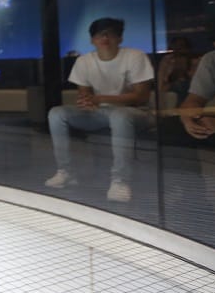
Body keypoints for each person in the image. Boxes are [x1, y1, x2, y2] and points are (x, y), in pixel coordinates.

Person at [45, 18, 155, 203]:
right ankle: (66, 172)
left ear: (119, 38)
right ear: (92, 40)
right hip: (100, 113)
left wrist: (101, 98)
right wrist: (87, 103)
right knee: (57, 113)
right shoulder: (84, 61)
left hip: (136, 113)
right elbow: (86, 96)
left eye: (110, 33)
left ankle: (120, 180)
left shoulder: (135, 56)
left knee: (120, 115)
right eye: (99, 34)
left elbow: (141, 97)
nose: (104, 38)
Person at [157, 35, 196, 109]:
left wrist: (186, 66)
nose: (179, 50)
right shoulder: (167, 60)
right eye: (176, 47)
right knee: (179, 85)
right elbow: (161, 80)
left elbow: (197, 82)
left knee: (182, 85)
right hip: (169, 86)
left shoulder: (195, 61)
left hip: (191, 88)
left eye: (182, 46)